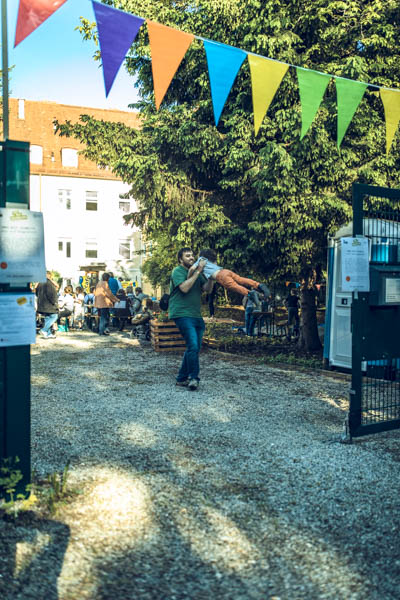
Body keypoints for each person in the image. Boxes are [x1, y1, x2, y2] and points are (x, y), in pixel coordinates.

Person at [169, 247, 214, 390]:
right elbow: (184, 288)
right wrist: (198, 271)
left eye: (192, 255)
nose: (191, 258)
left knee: (193, 347)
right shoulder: (177, 271)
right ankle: (194, 378)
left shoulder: (196, 272)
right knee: (193, 346)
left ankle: (181, 378)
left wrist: (211, 278)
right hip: (181, 313)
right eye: (187, 256)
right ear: (180, 259)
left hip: (196, 314)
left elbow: (207, 289)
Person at [189, 248, 269, 307]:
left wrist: (189, 276)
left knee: (235, 287)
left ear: (201, 255)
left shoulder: (200, 260)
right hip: (225, 271)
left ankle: (250, 294)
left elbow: (192, 269)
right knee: (240, 279)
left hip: (221, 277)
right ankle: (259, 285)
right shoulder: (211, 261)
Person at [36, 271, 59, 339]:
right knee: (54, 316)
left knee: (47, 318)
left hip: (41, 305)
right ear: (50, 276)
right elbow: (51, 295)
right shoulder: (49, 284)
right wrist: (54, 303)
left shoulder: (39, 283)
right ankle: (43, 330)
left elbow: (36, 293)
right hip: (49, 305)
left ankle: (48, 334)